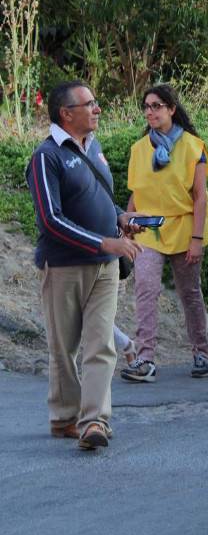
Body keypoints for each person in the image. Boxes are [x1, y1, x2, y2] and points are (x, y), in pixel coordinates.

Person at [26, 81, 143, 451]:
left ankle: (94, 421)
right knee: (64, 349)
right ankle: (64, 418)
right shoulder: (46, 156)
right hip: (63, 267)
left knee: (100, 344)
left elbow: (100, 201)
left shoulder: (94, 148)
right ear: (66, 113)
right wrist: (104, 241)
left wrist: (121, 219)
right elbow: (50, 220)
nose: (97, 109)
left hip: (106, 266)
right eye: (89, 104)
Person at [121, 85, 208, 383]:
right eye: (147, 106)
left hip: (185, 227)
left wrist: (197, 239)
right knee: (146, 288)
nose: (150, 112)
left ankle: (201, 350)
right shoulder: (139, 149)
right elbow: (137, 194)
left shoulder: (193, 146)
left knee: (189, 292)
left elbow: (200, 197)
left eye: (157, 106)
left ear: (172, 109)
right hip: (149, 229)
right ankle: (145, 358)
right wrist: (126, 224)